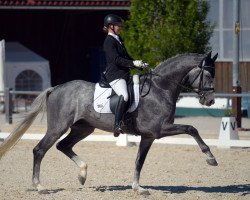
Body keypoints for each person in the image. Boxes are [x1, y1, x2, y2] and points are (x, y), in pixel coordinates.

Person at [102, 14, 148, 137]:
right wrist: (132, 63)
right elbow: (116, 59)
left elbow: (126, 57)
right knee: (124, 95)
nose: (119, 27)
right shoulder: (108, 41)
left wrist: (138, 64)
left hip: (124, 74)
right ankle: (116, 125)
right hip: (115, 75)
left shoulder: (118, 39)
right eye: (117, 25)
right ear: (110, 26)